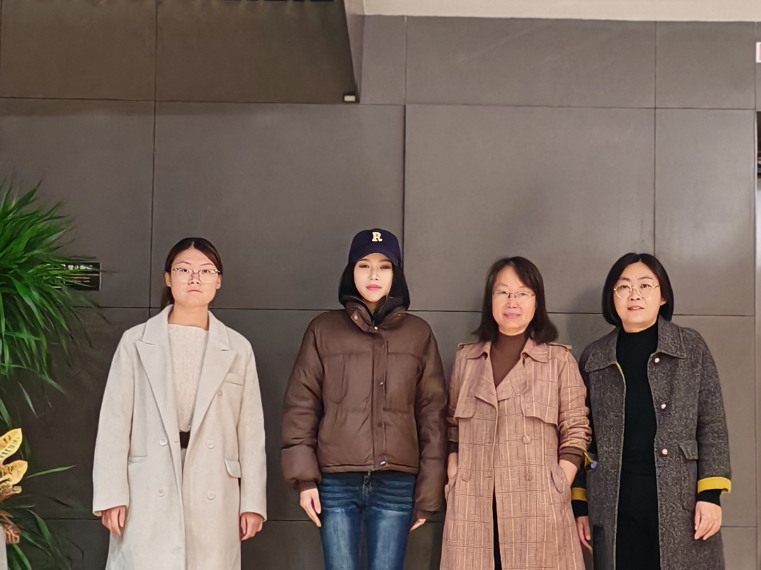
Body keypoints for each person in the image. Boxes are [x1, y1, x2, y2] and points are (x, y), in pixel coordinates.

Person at [93, 237, 267, 570]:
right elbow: (114, 422)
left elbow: (250, 432)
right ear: (168, 278)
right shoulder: (136, 341)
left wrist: (253, 503)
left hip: (214, 482)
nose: (194, 278)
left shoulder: (237, 347)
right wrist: (111, 495)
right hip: (149, 479)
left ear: (218, 280)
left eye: (206, 271)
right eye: (184, 270)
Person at [281, 228, 447, 570]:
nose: (374, 275)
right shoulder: (323, 329)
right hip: (336, 481)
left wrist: (429, 491)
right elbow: (301, 404)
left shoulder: (418, 333)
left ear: (396, 274)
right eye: (364, 265)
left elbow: (432, 414)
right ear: (350, 271)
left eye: (384, 266)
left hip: (396, 482)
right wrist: (304, 479)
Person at [572, 253, 731, 570]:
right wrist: (581, 507)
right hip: (612, 505)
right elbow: (581, 435)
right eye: (623, 287)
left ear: (663, 296)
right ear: (612, 297)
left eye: (645, 285)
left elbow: (712, 424)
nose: (634, 295)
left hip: (680, 502)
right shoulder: (595, 357)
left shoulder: (690, 347)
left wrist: (710, 496)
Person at [441, 256, 590, 570]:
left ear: (537, 301)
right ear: (490, 299)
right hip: (474, 504)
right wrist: (454, 469)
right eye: (503, 292)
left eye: (522, 293)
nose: (512, 301)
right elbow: (452, 424)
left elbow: (576, 427)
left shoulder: (558, 361)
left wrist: (560, 480)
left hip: (537, 505)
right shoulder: (467, 359)